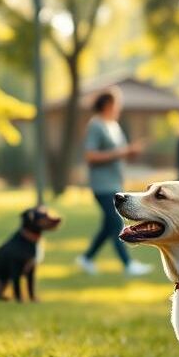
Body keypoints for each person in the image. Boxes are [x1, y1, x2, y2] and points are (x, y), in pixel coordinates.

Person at [75, 87, 152, 276]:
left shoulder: (114, 126)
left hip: (115, 183)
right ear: (109, 104)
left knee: (108, 225)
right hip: (102, 185)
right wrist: (123, 152)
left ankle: (86, 258)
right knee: (116, 222)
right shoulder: (96, 125)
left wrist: (130, 152)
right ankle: (128, 265)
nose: (119, 107)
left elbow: (120, 154)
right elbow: (91, 155)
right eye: (117, 103)